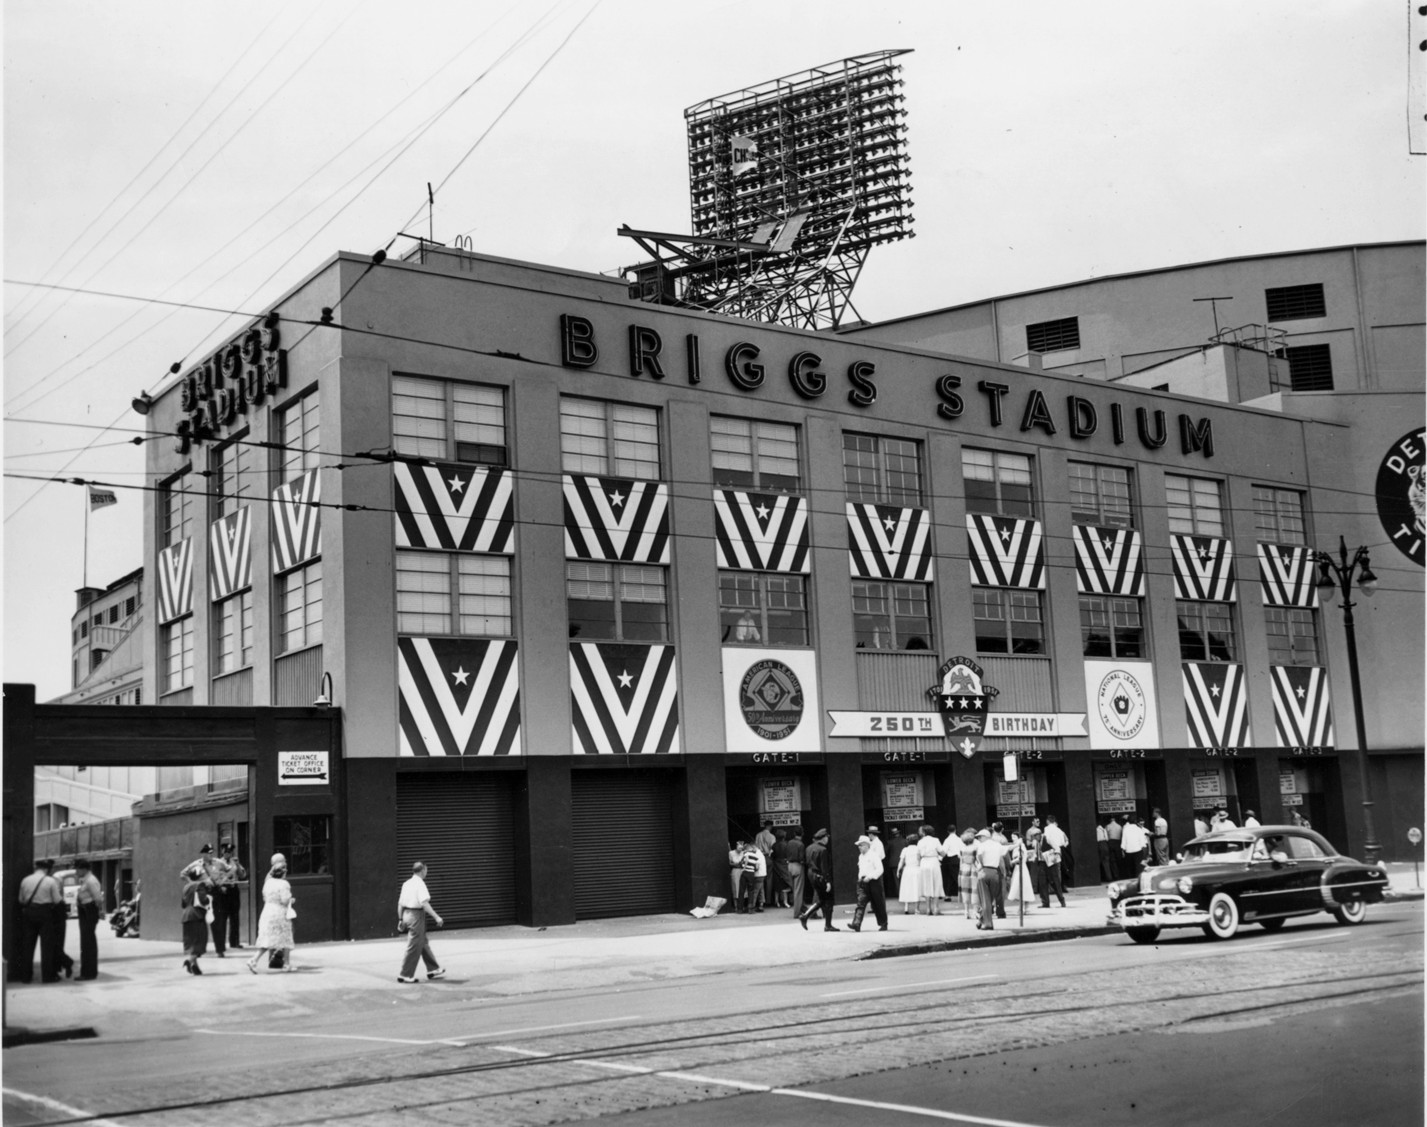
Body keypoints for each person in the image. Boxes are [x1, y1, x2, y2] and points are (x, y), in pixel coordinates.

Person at [395, 861, 446, 983]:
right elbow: (424, 903)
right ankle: (405, 974)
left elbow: (400, 904)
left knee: (422, 941)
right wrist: (436, 917)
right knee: (414, 945)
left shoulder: (406, 883)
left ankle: (433, 969)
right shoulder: (420, 884)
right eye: (426, 870)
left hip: (406, 914)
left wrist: (400, 919)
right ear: (423, 870)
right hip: (416, 915)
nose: (426, 873)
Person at [246, 854, 296, 974]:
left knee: (267, 940)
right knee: (286, 937)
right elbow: (284, 900)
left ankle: (253, 960)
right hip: (279, 913)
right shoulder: (284, 884)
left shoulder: (268, 882)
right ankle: (287, 964)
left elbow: (265, 897)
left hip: (267, 911)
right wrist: (291, 900)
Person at [17, 858, 63, 983]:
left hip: (29, 913)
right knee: (47, 946)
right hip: (45, 913)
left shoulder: (25, 880)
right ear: (46, 869)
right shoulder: (50, 881)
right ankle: (47, 976)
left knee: (28, 945)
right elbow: (57, 900)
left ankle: (26, 977)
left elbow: (21, 900)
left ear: (36, 868)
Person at [798, 828, 838, 931]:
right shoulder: (823, 850)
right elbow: (824, 867)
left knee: (821, 899)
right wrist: (828, 881)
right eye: (826, 838)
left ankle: (805, 915)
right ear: (823, 838)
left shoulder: (809, 848)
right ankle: (828, 925)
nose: (827, 840)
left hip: (811, 874)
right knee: (828, 899)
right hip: (820, 875)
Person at [211, 843, 247, 955]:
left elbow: (242, 876)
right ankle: (221, 945)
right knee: (222, 918)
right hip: (223, 891)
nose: (228, 854)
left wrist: (238, 864)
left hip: (233, 890)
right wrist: (220, 887)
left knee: (235, 916)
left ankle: (234, 942)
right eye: (226, 851)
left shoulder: (234, 862)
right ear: (222, 851)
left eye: (230, 852)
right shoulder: (217, 863)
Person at [848, 835, 889, 932]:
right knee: (860, 903)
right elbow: (861, 869)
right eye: (858, 846)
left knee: (878, 904)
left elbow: (880, 869)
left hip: (874, 882)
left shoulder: (874, 855)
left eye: (861, 845)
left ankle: (883, 923)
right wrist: (860, 879)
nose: (859, 847)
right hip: (863, 882)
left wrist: (870, 877)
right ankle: (856, 923)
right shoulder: (860, 856)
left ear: (867, 845)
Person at [73, 858, 103, 980]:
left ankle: (88, 973)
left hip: (89, 911)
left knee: (87, 943)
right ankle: (88, 972)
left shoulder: (90, 881)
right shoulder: (86, 880)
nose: (76, 871)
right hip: (85, 910)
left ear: (84, 869)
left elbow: (98, 898)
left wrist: (100, 911)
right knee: (86, 942)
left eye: (77, 869)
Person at [973, 829, 1005, 931]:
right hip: (995, 872)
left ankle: (987, 923)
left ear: (985, 836)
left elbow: (978, 855)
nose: (979, 839)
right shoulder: (997, 845)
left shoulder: (982, 846)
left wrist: (981, 865)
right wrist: (1018, 844)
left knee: (984, 899)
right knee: (990, 899)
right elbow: (1004, 853)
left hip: (985, 871)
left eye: (980, 837)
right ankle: (982, 919)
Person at [180, 876, 212, 975]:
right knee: (199, 941)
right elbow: (203, 900)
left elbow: (183, 903)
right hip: (196, 916)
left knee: (191, 943)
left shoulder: (186, 887)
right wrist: (208, 899)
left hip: (186, 916)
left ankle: (195, 967)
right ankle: (189, 961)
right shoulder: (200, 885)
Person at [915, 823, 945, 915]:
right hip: (934, 861)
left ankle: (928, 909)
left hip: (924, 862)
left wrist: (920, 863)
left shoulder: (920, 842)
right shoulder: (935, 840)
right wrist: (938, 857)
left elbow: (917, 855)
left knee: (927, 885)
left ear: (924, 832)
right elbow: (943, 853)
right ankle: (936, 908)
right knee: (936, 884)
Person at [1003, 832, 1036, 905]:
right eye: (1012, 837)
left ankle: (1025, 907)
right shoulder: (1016, 846)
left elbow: (1020, 858)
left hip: (1021, 868)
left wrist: (1011, 862)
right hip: (1017, 868)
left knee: (1023, 887)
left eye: (1014, 837)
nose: (1012, 839)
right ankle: (1023, 907)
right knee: (1019, 887)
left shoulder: (1021, 846)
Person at [1039, 830, 1068, 908]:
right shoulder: (1036, 842)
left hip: (1051, 863)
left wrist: (1055, 858)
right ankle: (1045, 902)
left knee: (1055, 882)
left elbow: (1057, 848)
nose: (1034, 837)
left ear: (1040, 834)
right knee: (1043, 883)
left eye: (1035, 835)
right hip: (1042, 863)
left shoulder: (1047, 839)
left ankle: (1062, 901)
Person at [896, 828, 922, 913]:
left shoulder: (905, 849)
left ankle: (906, 907)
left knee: (907, 888)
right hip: (917, 869)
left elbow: (901, 861)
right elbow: (920, 860)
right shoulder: (918, 849)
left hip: (907, 870)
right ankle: (916, 909)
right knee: (916, 888)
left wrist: (898, 870)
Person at [738, 840, 766, 913]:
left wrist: (743, 867)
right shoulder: (756, 855)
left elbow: (741, 863)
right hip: (752, 874)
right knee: (752, 891)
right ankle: (751, 909)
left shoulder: (745, 854)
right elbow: (756, 867)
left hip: (745, 873)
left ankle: (740, 909)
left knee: (742, 891)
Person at [754, 821, 777, 910]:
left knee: (759, 878)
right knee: (768, 879)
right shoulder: (772, 836)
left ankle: (759, 902)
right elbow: (772, 849)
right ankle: (767, 900)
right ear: (770, 826)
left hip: (759, 857)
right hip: (767, 858)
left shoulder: (758, 835)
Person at [957, 830, 979, 918]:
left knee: (965, 890)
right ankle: (975, 911)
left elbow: (960, 861)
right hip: (973, 868)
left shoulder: (962, 849)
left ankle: (966, 911)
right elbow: (977, 860)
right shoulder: (975, 848)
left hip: (963, 869)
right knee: (974, 890)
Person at [770, 829, 793, 908]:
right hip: (784, 865)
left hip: (776, 865)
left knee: (777, 884)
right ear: (784, 836)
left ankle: (777, 902)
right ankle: (785, 901)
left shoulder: (774, 845)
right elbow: (789, 855)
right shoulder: (787, 844)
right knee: (786, 883)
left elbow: (771, 856)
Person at [786, 829, 806, 916]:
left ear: (794, 833)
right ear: (802, 834)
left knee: (794, 890)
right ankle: (797, 913)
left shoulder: (789, 842)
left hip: (789, 866)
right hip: (798, 866)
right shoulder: (801, 844)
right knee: (798, 891)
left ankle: (802, 907)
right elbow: (801, 858)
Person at [884, 827, 907, 901]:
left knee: (896, 880)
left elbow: (885, 852)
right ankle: (906, 894)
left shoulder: (890, 842)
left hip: (894, 863)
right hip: (904, 862)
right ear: (899, 833)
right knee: (905, 879)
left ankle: (899, 895)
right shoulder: (905, 841)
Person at [941, 824, 960, 902]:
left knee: (953, 877)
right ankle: (948, 895)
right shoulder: (959, 839)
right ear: (955, 830)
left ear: (947, 831)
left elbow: (944, 851)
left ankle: (948, 895)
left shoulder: (947, 840)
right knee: (954, 877)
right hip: (958, 859)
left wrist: (940, 859)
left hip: (951, 860)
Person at [728, 839, 746, 906]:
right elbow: (730, 863)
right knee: (735, 887)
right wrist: (735, 864)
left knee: (742, 887)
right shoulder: (731, 853)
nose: (740, 850)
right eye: (739, 848)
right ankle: (736, 905)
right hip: (735, 870)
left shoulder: (743, 853)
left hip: (742, 870)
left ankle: (742, 905)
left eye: (741, 848)